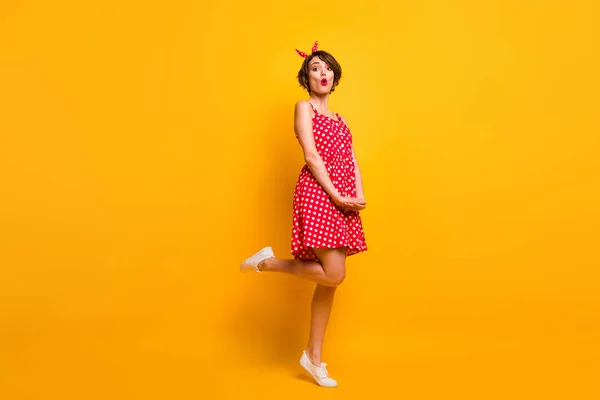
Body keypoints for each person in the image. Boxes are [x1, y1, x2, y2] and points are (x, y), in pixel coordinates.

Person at [240, 41, 367, 388]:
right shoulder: (304, 108)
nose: (322, 73)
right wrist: (338, 195)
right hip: (318, 194)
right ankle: (268, 263)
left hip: (342, 198)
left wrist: (358, 192)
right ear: (306, 78)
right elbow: (311, 157)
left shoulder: (341, 119)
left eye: (327, 68)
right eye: (315, 68)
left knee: (328, 283)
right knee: (335, 274)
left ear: (334, 76)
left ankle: (313, 357)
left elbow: (351, 158)